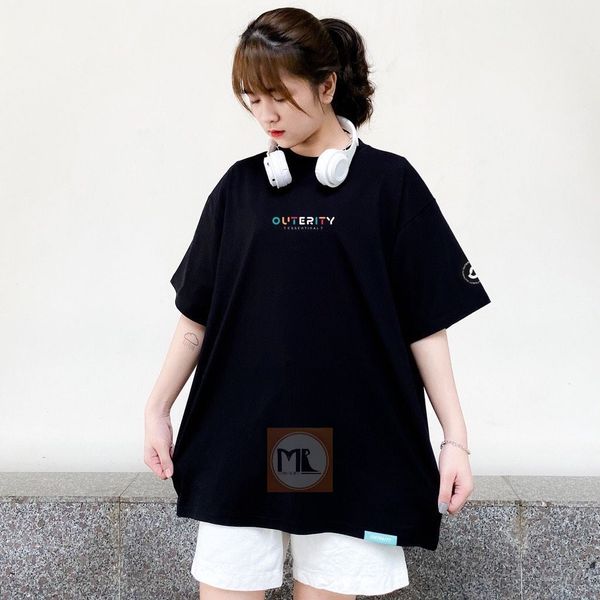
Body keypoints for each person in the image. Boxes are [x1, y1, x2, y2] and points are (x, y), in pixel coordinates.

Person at [144, 7, 492, 599]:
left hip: (357, 439)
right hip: (239, 436)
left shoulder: (390, 185)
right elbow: (195, 316)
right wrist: (157, 408)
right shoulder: (238, 189)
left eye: (279, 96)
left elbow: (426, 323)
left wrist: (454, 439)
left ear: (327, 86)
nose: (266, 116)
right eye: (252, 100)